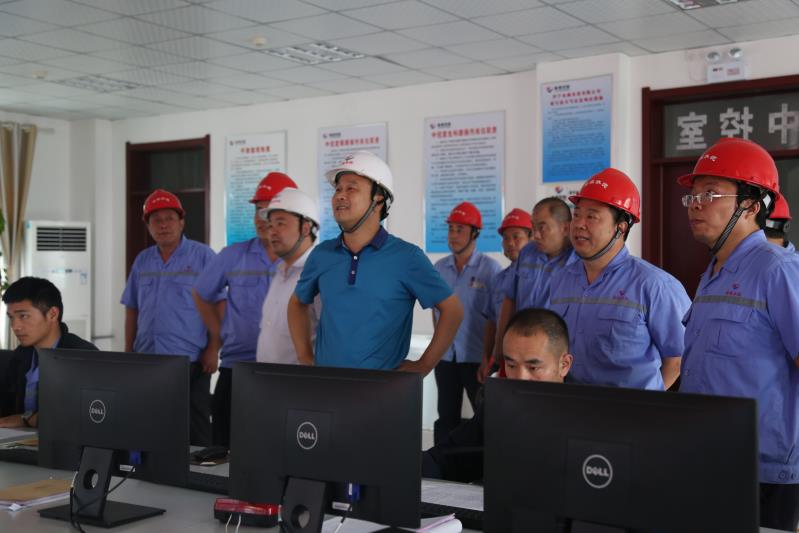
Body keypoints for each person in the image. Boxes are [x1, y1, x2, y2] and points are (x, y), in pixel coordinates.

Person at [677, 138, 799, 531]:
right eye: (693, 195)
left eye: (710, 194)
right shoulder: (711, 274)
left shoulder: (777, 270)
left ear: (751, 205)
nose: (695, 205)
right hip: (707, 458)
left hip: (765, 471)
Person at [288, 151, 463, 374]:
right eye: (338, 189)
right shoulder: (322, 255)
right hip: (327, 385)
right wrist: (304, 356)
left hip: (383, 389)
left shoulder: (407, 257)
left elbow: (452, 310)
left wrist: (424, 365)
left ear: (378, 198)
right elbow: (297, 303)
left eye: (351, 188)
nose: (340, 196)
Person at [547, 168, 689, 390]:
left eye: (591, 216)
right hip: (571, 403)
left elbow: (678, 357)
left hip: (630, 408)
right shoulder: (560, 279)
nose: (579, 224)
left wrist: (647, 401)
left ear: (620, 228)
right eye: (577, 215)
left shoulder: (653, 285)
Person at [194, 171, 297, 447]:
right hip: (236, 369)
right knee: (223, 448)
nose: (262, 219)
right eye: (257, 211)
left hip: (286, 372)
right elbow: (201, 292)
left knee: (279, 448)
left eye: (269, 212)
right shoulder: (233, 255)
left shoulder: (307, 261)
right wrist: (217, 335)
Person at [423, 307, 573, 482]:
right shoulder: (497, 410)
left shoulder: (586, 419)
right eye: (511, 365)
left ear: (564, 365)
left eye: (533, 368)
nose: (520, 378)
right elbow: (445, 459)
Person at [121, 189, 217, 445]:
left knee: (195, 426)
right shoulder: (143, 261)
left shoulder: (203, 256)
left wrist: (214, 349)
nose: (163, 225)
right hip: (148, 359)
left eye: (169, 219)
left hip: (190, 360)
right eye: (156, 220)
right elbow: (132, 308)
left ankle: (200, 469)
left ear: (181, 222)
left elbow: (219, 306)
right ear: (148, 226)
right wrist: (128, 351)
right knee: (152, 423)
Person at [432, 201, 501, 444]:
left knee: (485, 418)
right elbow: (436, 311)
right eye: (451, 229)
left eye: (460, 229)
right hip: (446, 359)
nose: (453, 235)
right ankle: (441, 464)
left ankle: (484, 465)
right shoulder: (439, 268)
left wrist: (488, 359)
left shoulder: (490, 269)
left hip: (477, 359)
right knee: (446, 417)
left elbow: (496, 316)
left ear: (475, 233)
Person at [492, 197, 577, 373]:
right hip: (520, 348)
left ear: (565, 228)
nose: (536, 235)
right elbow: (510, 299)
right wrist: (499, 346)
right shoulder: (527, 252)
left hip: (553, 354)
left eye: (542, 227)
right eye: (533, 227)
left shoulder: (578, 261)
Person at [0, 277, 96, 428]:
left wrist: (28, 419)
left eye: (23, 316)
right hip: (20, 440)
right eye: (11, 318)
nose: (15, 326)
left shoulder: (83, 356)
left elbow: (87, 415)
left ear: (52, 314)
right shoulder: (20, 356)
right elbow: (5, 412)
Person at [256, 188, 321, 364]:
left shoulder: (319, 274)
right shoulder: (280, 271)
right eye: (270, 225)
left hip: (299, 380)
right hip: (265, 378)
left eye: (281, 223)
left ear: (305, 228)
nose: (272, 231)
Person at [479, 208, 532, 382]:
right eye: (506, 238)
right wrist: (487, 358)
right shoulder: (499, 279)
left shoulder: (542, 277)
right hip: (503, 361)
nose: (510, 243)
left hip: (532, 362)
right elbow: (492, 322)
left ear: (531, 238)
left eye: (516, 237)